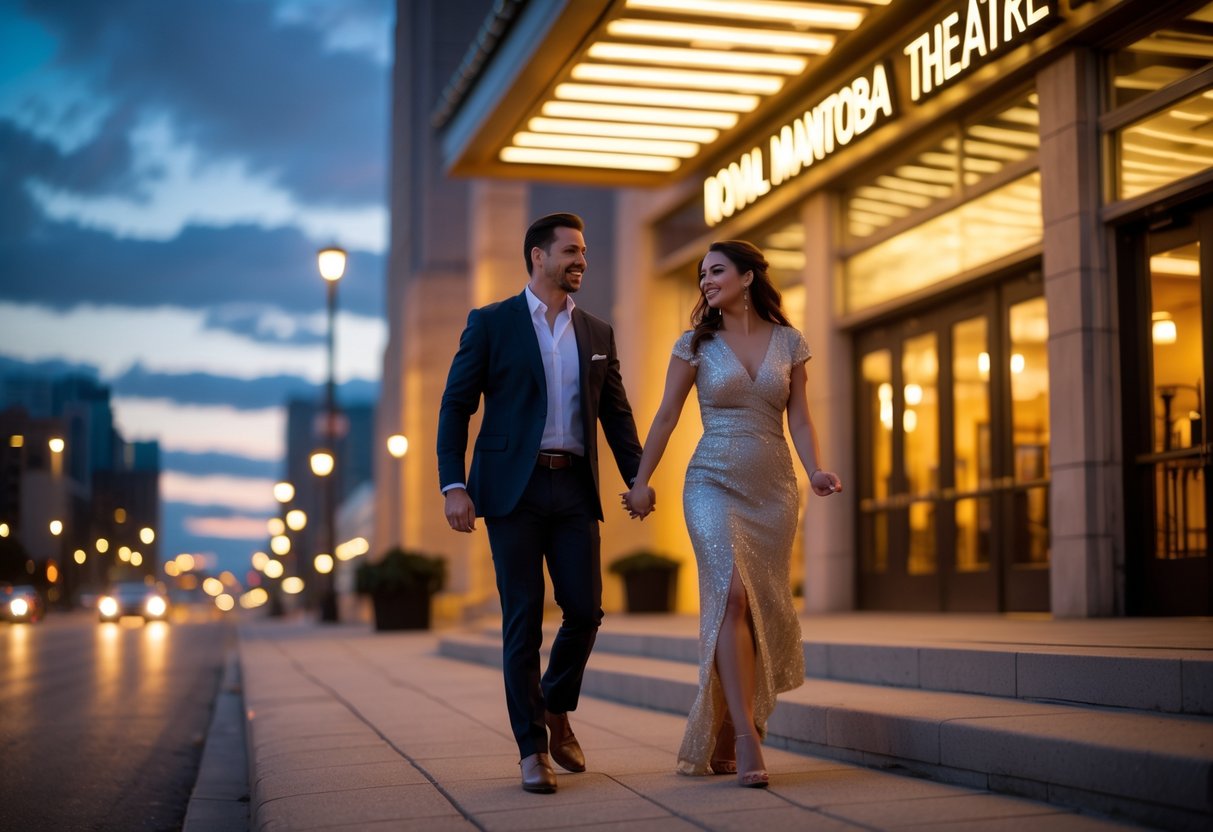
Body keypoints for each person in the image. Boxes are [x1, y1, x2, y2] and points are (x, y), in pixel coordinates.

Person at [437, 212, 648, 794]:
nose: (581, 260)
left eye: (583, 251)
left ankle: (556, 705)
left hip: (574, 486)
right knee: (522, 621)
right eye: (571, 251)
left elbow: (618, 417)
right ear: (537, 255)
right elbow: (456, 407)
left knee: (585, 611)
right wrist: (454, 485)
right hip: (512, 491)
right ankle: (532, 750)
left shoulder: (598, 334)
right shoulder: (491, 323)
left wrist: (639, 477)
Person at [622, 240, 842, 788]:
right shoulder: (694, 343)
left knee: (761, 608)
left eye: (715, 271)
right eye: (700, 274)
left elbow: (802, 419)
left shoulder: (790, 342)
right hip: (710, 483)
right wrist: (641, 480)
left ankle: (727, 728)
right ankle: (746, 735)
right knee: (732, 596)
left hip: (773, 489)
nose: (705, 281)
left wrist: (815, 469)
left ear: (747, 277)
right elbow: (668, 415)